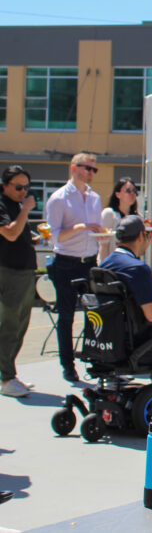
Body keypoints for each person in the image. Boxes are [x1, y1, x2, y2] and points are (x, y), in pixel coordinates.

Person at [45, 152, 104, 382]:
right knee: (67, 315)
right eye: (86, 168)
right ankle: (67, 365)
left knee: (94, 313)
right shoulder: (59, 198)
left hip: (88, 261)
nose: (90, 173)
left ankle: (94, 358)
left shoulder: (95, 198)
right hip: (66, 262)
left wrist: (100, 236)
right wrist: (80, 227)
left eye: (93, 169)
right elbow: (53, 237)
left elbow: (96, 230)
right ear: (73, 168)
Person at [99, 215, 152, 325]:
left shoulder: (104, 265)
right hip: (139, 337)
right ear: (140, 236)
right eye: (146, 235)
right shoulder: (138, 269)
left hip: (112, 331)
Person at [0, 166, 38, 398]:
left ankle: (9, 373)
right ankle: (6, 378)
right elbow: (11, 233)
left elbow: (20, 233)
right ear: (5, 186)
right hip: (10, 272)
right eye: (18, 187)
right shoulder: (4, 205)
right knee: (10, 326)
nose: (23, 191)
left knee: (20, 326)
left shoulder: (16, 206)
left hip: (23, 271)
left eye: (26, 187)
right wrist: (25, 210)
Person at [98, 177, 139, 261]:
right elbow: (103, 244)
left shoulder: (137, 217)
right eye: (128, 191)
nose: (132, 194)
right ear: (117, 194)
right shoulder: (109, 214)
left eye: (134, 191)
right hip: (113, 265)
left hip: (131, 265)